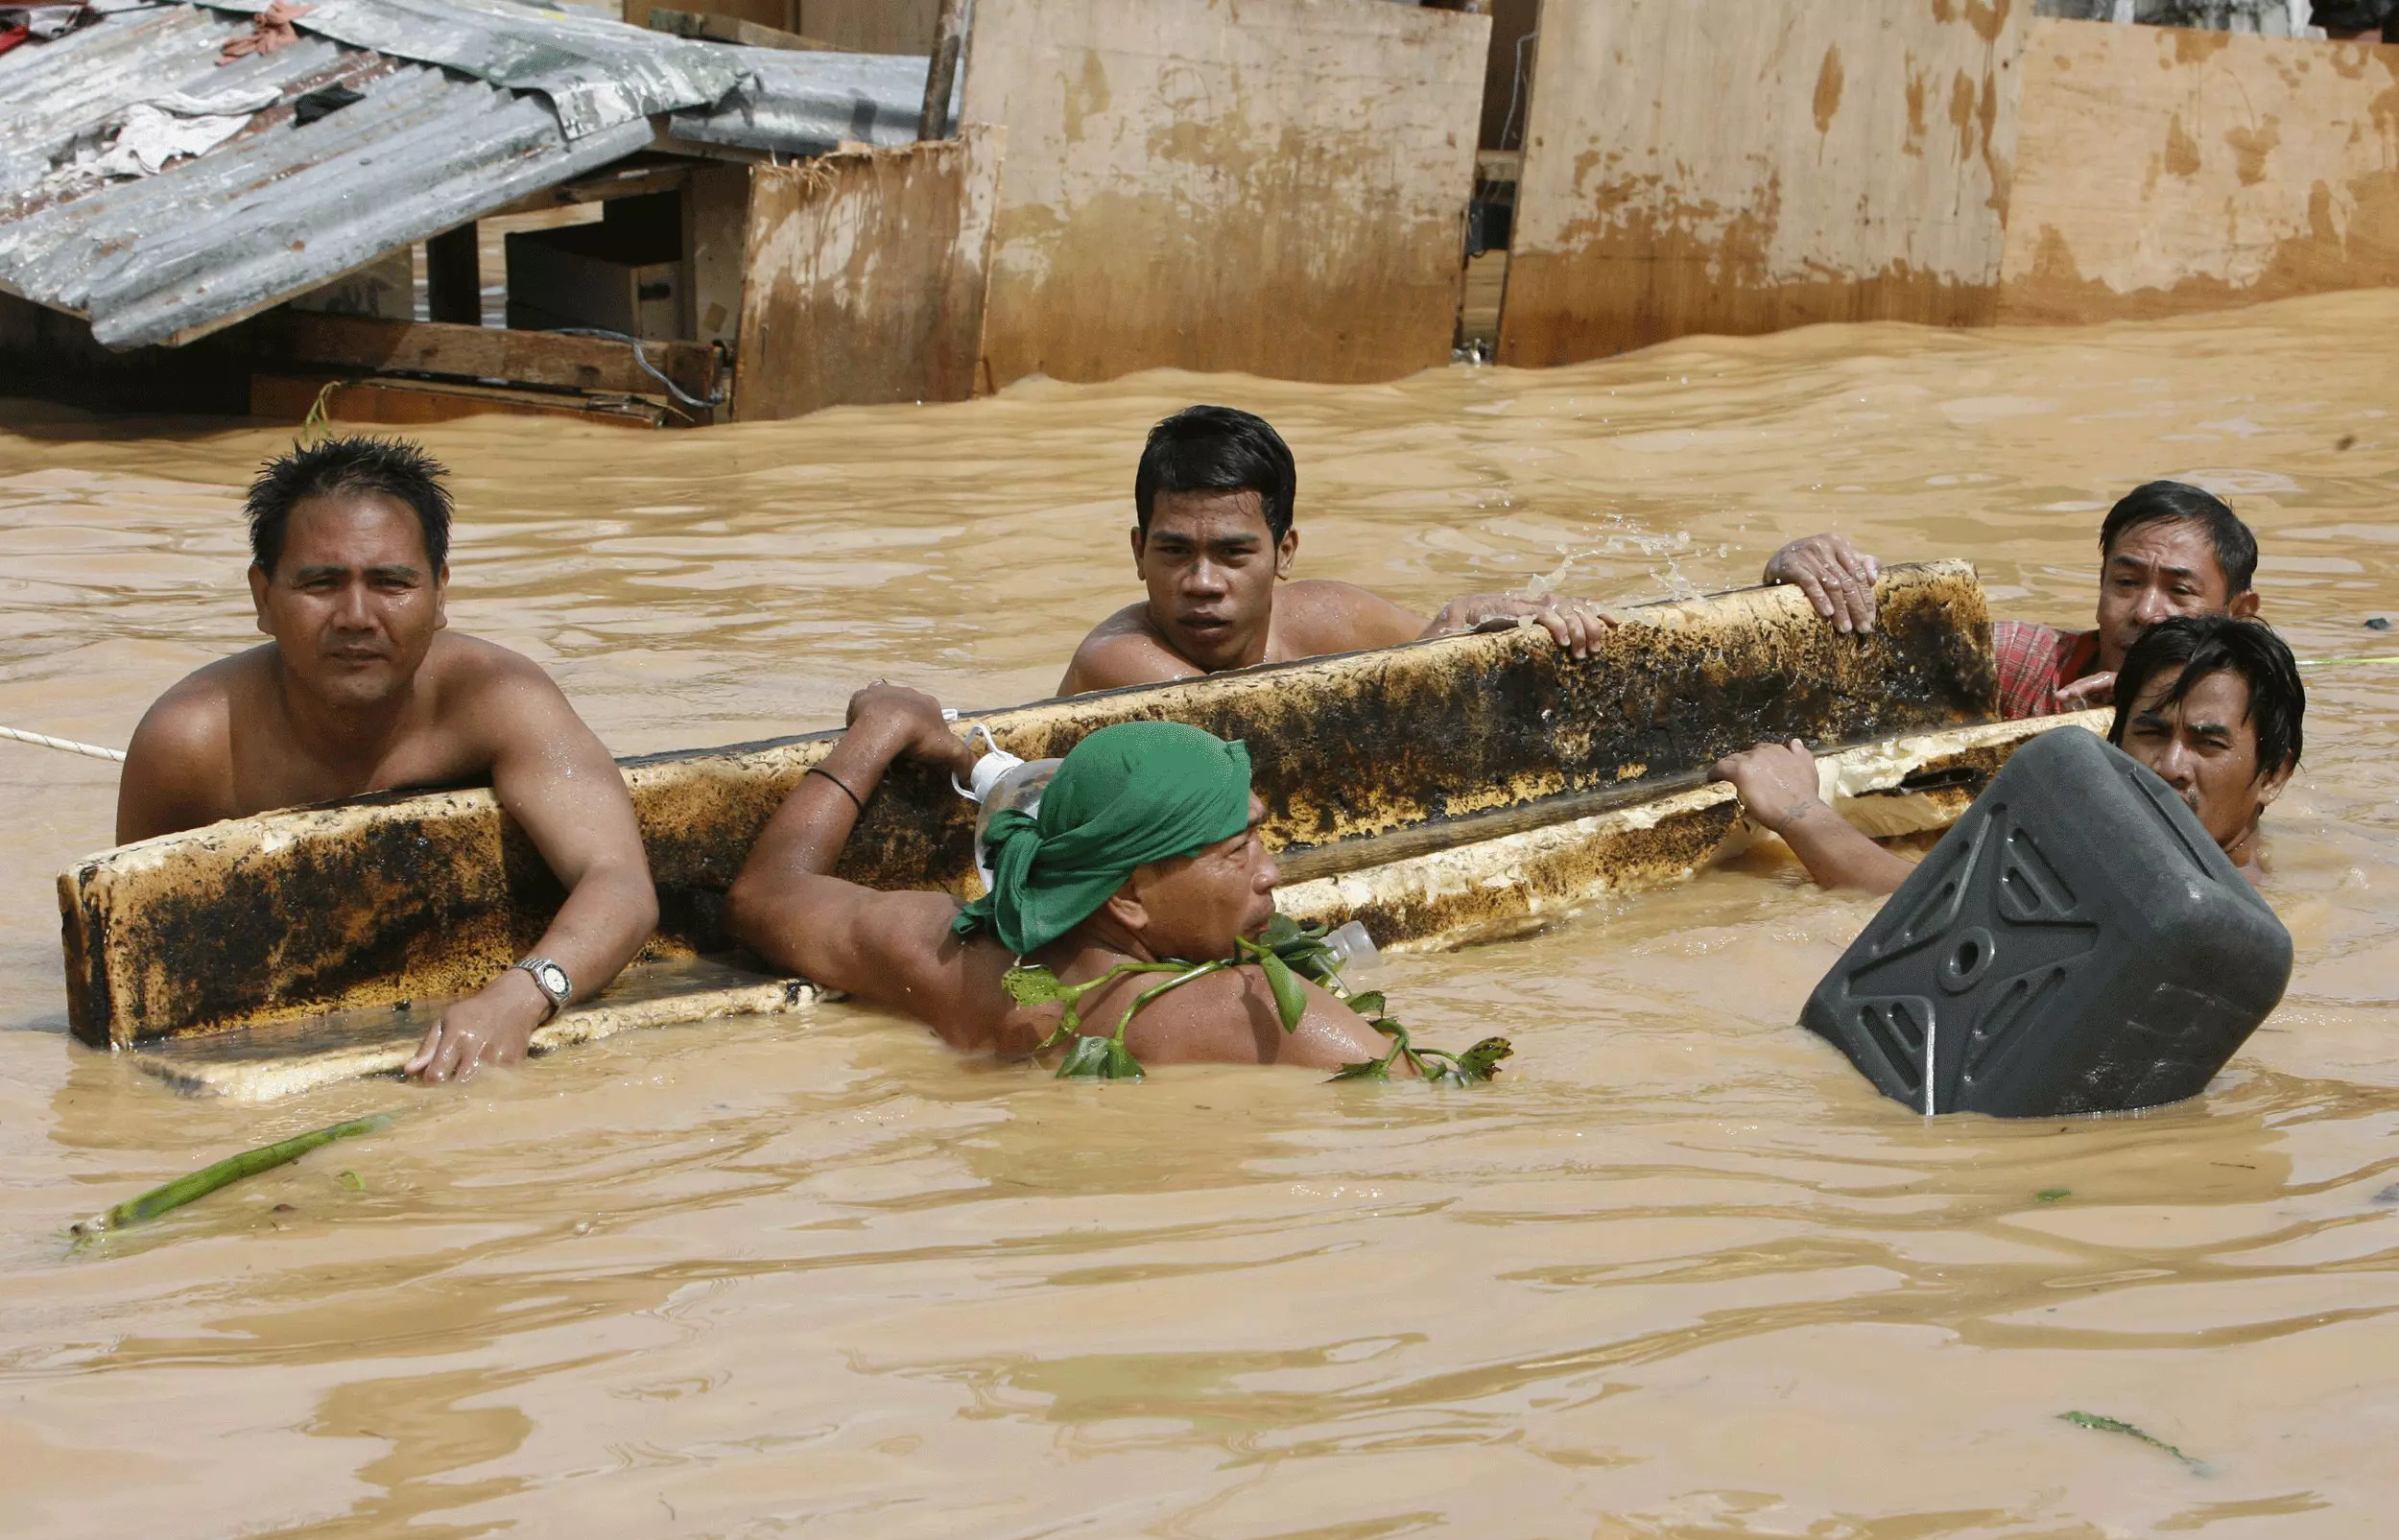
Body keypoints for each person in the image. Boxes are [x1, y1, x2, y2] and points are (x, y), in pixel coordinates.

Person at [116, 438, 658, 1083]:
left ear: (439, 594)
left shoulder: (499, 700)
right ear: (263, 597)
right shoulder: (190, 744)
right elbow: (135, 967)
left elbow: (621, 884)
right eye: (320, 583)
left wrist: (521, 995)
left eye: (391, 583)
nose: (356, 617)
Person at [726, 683, 1395, 1069]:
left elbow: (764, 893)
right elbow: (1426, 1097)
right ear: (1129, 896)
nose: (1269, 871)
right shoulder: (1246, 1008)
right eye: (1236, 850)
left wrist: (882, 725)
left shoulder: (946, 952)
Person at [1711, 614, 2302, 892]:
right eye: (2151, 733)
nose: (2169, 765)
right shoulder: (2130, 852)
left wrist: (1797, 811)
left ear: (2273, 775)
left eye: (2207, 743)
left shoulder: (2201, 896)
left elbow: (1930, 906)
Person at [1057, 406, 1614, 695]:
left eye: (1233, 554)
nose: (1203, 582)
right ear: (1138, 554)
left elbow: (1440, 643)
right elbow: (1245, 750)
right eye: (1174, 552)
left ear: (1284, 554)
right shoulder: (1118, 659)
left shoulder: (1331, 616)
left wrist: (1469, 626)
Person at [1759, 480, 2263, 719]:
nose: (2147, 613)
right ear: (2101, 586)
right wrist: (1793, 589)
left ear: (2239, 614)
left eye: (2180, 591)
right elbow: (1840, 684)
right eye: (2126, 583)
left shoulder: (2242, 723)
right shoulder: (2021, 664)